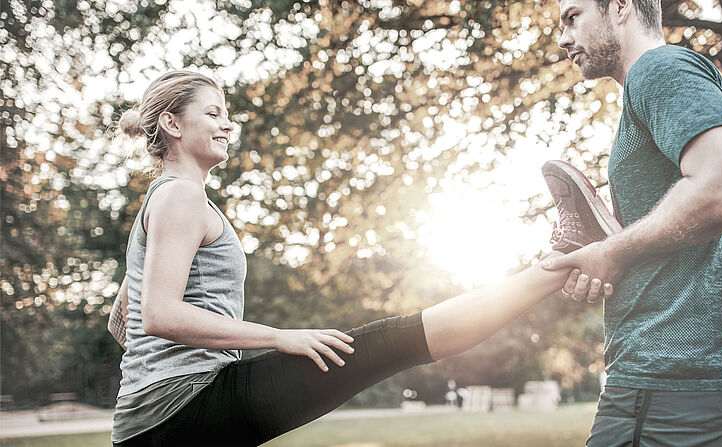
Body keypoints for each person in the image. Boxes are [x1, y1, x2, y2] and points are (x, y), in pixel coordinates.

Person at [107, 70, 612, 446]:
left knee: (387, 343)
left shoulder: (166, 198)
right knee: (390, 343)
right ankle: (563, 256)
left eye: (227, 113)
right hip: (179, 407)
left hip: (166, 414)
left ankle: (563, 258)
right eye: (212, 113)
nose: (227, 125)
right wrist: (280, 337)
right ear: (172, 124)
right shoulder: (179, 197)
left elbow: (129, 312)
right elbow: (159, 315)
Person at [541, 1, 722, 446]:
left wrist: (613, 252)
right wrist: (601, 252)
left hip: (672, 377)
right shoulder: (656, 82)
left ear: (621, 7)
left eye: (573, 17)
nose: (564, 38)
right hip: (698, 372)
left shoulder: (660, 69)